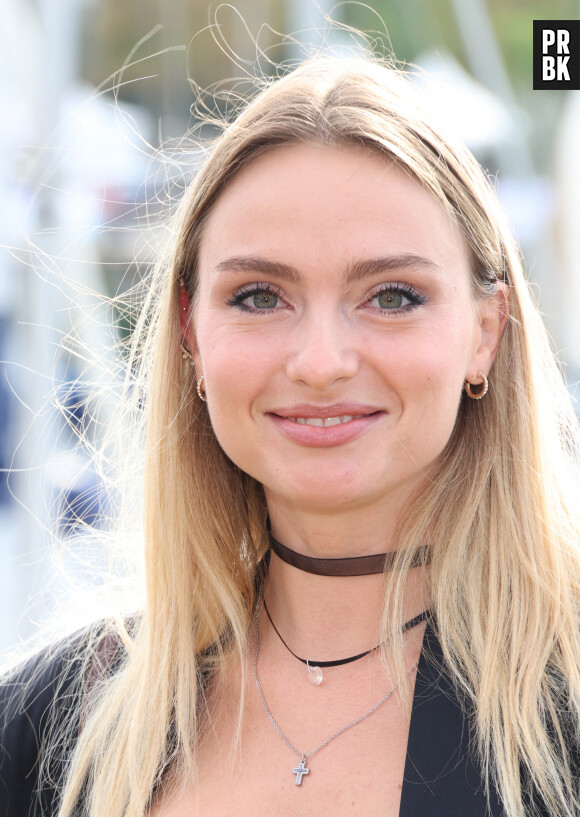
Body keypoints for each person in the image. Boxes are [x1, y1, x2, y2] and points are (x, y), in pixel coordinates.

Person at [2, 52, 580, 817]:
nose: (319, 363)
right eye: (259, 295)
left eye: (393, 295)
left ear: (485, 331)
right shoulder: (47, 730)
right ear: (191, 334)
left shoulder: (563, 704)